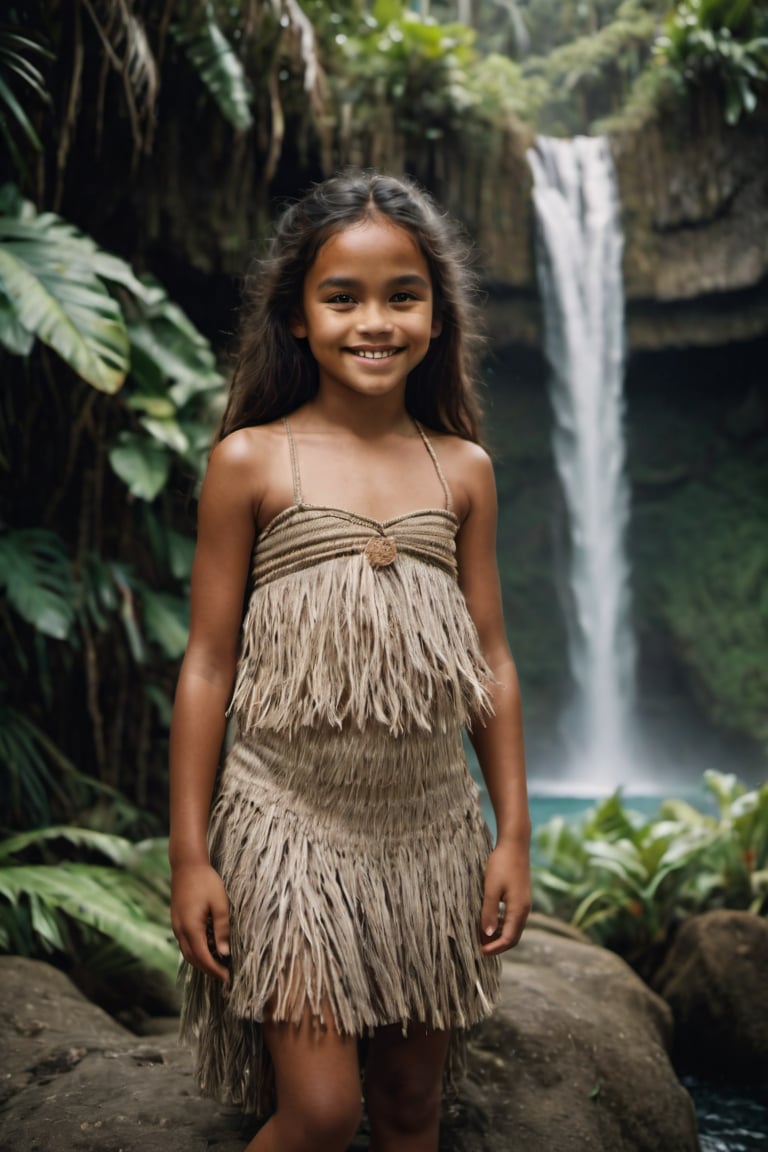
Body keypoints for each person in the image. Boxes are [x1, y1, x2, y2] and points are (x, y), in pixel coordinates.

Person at [169, 169, 531, 1152]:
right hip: (289, 829)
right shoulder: (253, 460)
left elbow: (490, 657)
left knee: (413, 1107)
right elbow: (207, 663)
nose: (376, 321)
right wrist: (191, 855)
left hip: (429, 838)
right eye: (344, 297)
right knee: (324, 1115)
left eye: (402, 296)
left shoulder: (461, 470)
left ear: (437, 314)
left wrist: (513, 835)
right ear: (296, 316)